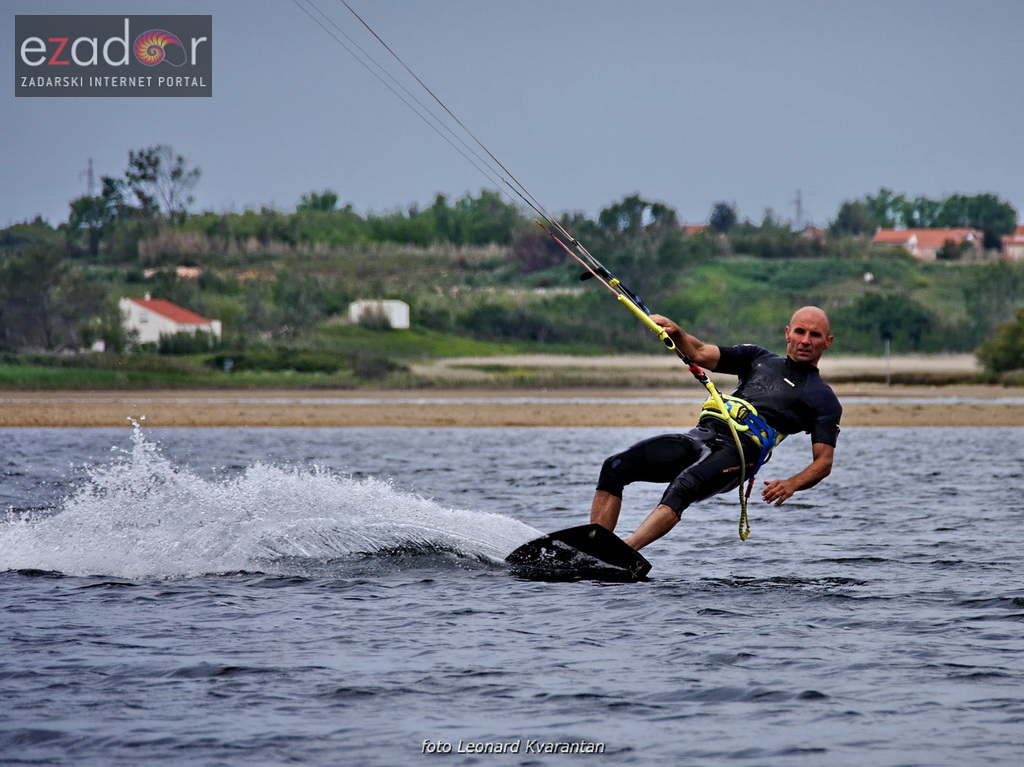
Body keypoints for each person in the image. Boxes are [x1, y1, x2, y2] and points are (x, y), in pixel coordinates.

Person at [591, 306, 842, 551]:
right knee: (615, 466)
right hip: (700, 437)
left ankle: (624, 551)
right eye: (800, 332)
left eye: (815, 335)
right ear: (788, 333)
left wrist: (792, 484)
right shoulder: (756, 358)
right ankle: (593, 546)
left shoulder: (822, 398)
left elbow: (824, 462)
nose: (805, 340)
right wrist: (676, 332)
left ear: (827, 342)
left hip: (739, 454)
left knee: (683, 486)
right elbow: (698, 352)